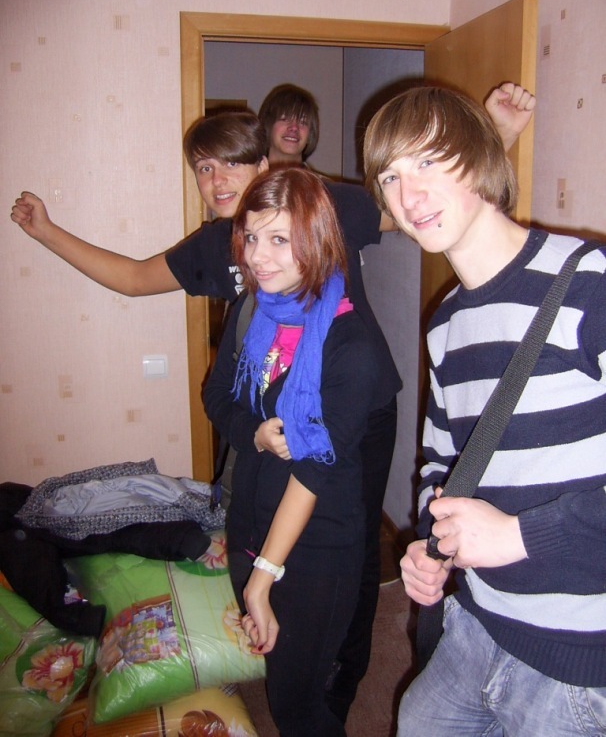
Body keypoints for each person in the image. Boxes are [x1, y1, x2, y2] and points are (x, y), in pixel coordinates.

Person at [10, 87, 528, 722]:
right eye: (204, 168)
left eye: (233, 162)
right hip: (272, 396)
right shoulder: (218, 245)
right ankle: (296, 634)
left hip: (355, 407)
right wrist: (45, 231)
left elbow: (419, 207)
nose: (218, 179)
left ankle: (337, 672)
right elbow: (134, 278)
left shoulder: (321, 206)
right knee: (275, 510)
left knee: (350, 545)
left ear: (266, 164)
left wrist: (494, 134)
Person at [363, 84, 606, 736]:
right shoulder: (445, 323)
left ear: (481, 158)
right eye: (391, 175)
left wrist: (518, 537)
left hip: (577, 657)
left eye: (428, 161)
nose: (409, 195)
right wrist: (431, 542)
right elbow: (442, 463)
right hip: (476, 623)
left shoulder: (590, 284)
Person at [203, 166, 377, 736]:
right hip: (252, 521)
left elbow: (313, 471)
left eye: (279, 239)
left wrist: (263, 579)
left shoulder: (351, 346)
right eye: (252, 237)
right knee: (280, 677)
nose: (257, 256)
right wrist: (253, 431)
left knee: (296, 704)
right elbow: (216, 395)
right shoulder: (251, 311)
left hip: (316, 548)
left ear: (316, 240)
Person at [258, 83, 319, 165]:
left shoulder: (322, 175)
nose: (294, 128)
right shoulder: (246, 173)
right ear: (268, 125)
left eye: (302, 122)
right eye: (285, 119)